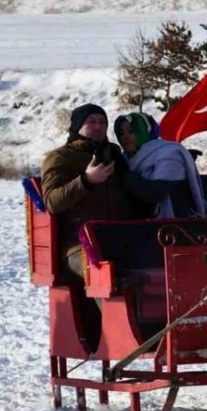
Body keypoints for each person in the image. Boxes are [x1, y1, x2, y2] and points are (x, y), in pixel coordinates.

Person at [41, 103, 135, 285]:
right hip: (80, 245)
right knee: (108, 277)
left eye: (102, 122)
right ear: (78, 126)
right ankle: (111, 315)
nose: (98, 127)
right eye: (91, 122)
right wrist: (86, 180)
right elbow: (52, 202)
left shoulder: (114, 154)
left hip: (121, 238)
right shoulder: (61, 157)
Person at [114, 112, 206, 218]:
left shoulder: (171, 153)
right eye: (121, 133)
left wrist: (124, 175)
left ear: (144, 130)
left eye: (131, 131)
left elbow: (155, 192)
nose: (124, 137)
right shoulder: (124, 160)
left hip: (178, 226)